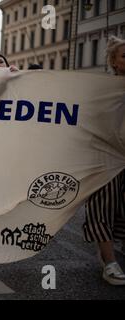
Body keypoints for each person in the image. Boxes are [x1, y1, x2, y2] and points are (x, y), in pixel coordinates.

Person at [82, 36, 125, 286]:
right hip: (104, 157)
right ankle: (109, 261)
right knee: (102, 206)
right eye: (124, 56)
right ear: (114, 62)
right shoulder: (101, 90)